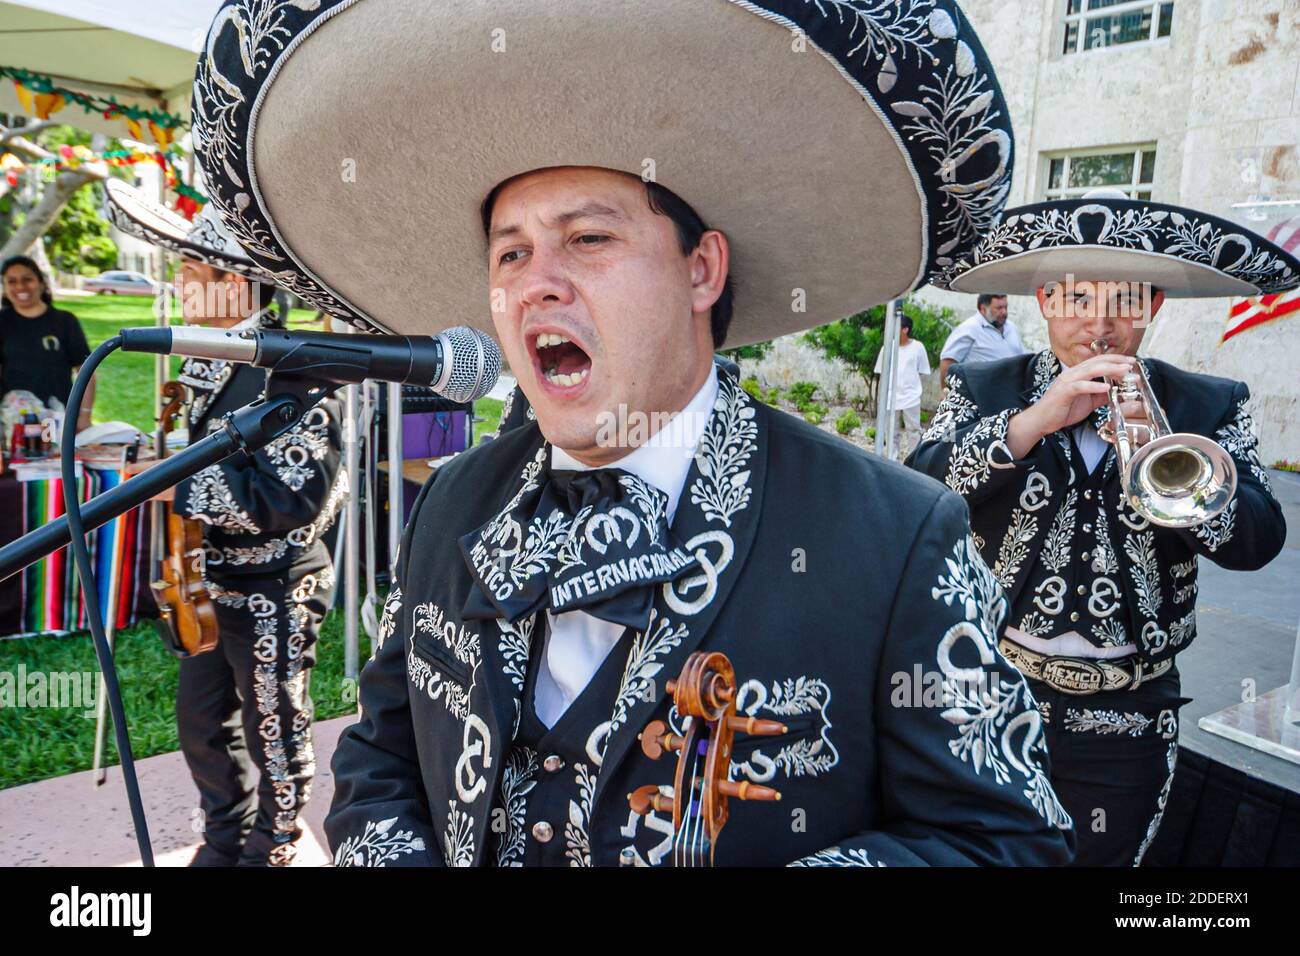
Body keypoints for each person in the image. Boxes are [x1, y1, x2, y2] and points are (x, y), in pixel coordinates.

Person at [199, 0, 1072, 867]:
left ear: (701, 270)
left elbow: (1005, 841)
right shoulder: (453, 501)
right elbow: (380, 756)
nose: (536, 284)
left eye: (586, 239)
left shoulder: (894, 534)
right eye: (510, 255)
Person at [908, 188, 1295, 865]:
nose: (1100, 324)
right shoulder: (982, 384)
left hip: (1129, 714)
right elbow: (920, 489)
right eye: (1079, 300)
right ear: (1046, 302)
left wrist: (1171, 457)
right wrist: (1028, 426)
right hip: (993, 692)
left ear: (1154, 307)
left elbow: (1259, 542)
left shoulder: (1209, 401)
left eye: (1124, 302)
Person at [106, 179, 346, 866]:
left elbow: (298, 498)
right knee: (203, 724)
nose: (179, 283)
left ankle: (274, 843)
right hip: (207, 585)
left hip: (276, 587)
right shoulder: (206, 361)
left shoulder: (296, 371)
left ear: (237, 284)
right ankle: (223, 836)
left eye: (193, 270)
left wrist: (171, 484)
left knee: (275, 722)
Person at [0, 254, 94, 429]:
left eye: (27, 279)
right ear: (5, 288)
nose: (20, 286)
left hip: (58, 419)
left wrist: (84, 416)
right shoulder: (2, 322)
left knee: (58, 457)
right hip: (13, 423)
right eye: (11, 281)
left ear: (42, 283)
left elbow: (86, 371)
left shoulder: (64, 321)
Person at [938, 292, 1024, 393]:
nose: (1004, 312)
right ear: (983, 309)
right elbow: (948, 361)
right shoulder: (970, 328)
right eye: (999, 308)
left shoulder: (1012, 328)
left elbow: (1021, 357)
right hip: (979, 398)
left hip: (1010, 395)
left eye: (1006, 307)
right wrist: (947, 392)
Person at [873, 314, 931, 458]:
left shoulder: (918, 347)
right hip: (890, 398)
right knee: (891, 432)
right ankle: (893, 462)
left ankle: (915, 461)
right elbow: (881, 372)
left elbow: (922, 370)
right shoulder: (887, 347)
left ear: (905, 329)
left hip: (911, 397)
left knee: (914, 431)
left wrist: (910, 385)